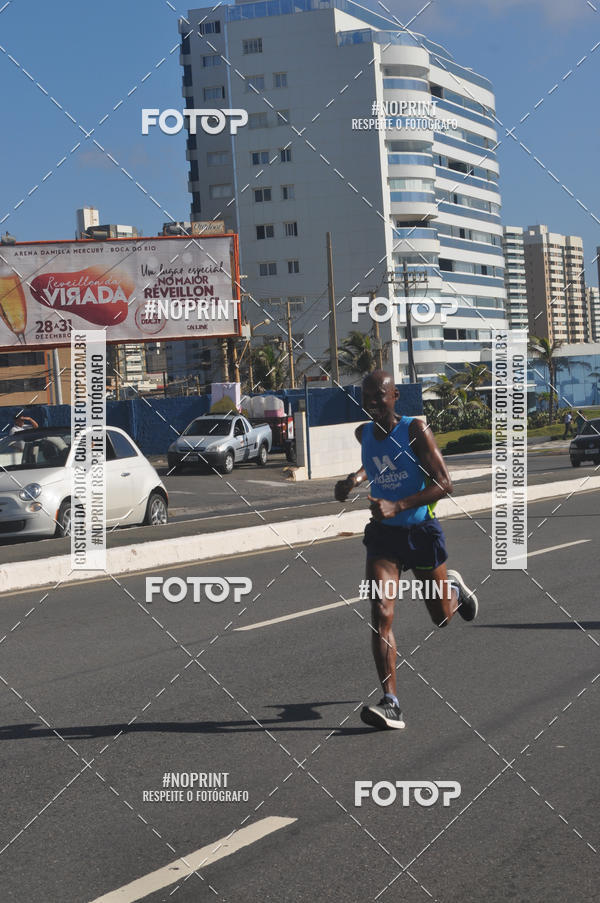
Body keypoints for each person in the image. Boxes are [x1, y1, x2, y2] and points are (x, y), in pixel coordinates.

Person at [334, 370, 478, 731]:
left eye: (378, 396)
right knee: (381, 610)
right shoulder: (363, 433)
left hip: (420, 531)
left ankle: (455, 593)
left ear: (395, 395)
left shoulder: (416, 430)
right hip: (384, 536)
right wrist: (354, 480)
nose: (371, 403)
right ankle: (391, 703)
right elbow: (377, 462)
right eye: (366, 397)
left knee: (442, 617)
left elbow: (446, 484)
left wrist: (398, 506)